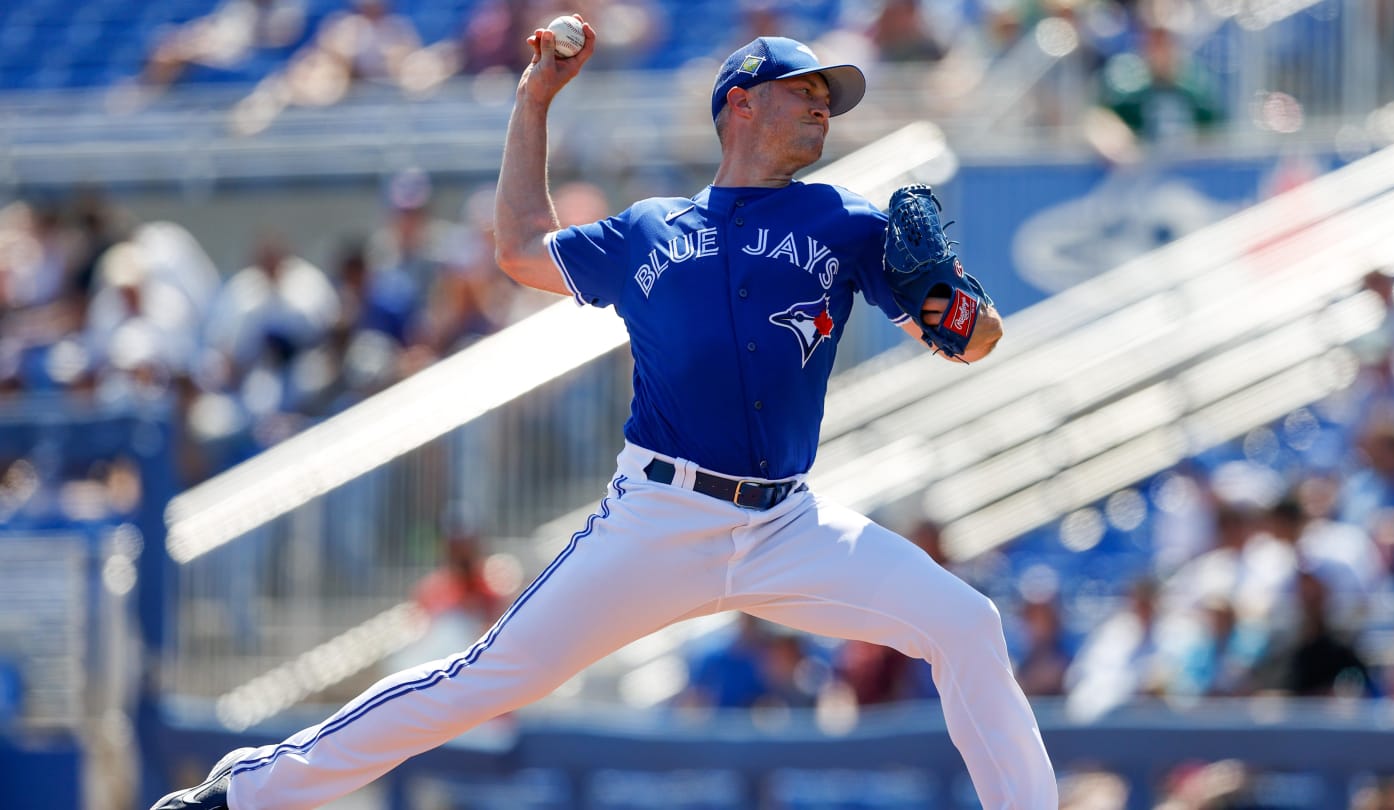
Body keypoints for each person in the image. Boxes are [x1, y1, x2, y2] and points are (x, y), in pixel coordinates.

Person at [150, 22, 1057, 810]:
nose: (825, 105)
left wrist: (961, 316)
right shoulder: (650, 230)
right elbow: (516, 246)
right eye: (805, 90)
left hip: (788, 522)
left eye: (830, 95)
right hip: (659, 517)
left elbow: (972, 339)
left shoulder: (845, 220)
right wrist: (535, 99)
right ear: (740, 105)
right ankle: (246, 793)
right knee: (483, 681)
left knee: (965, 623)